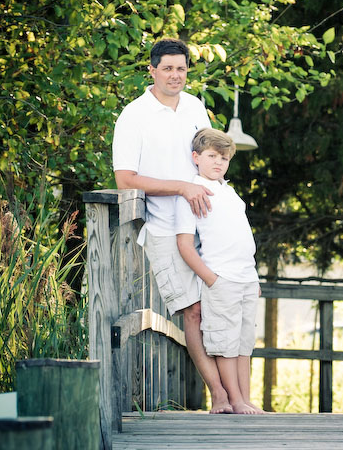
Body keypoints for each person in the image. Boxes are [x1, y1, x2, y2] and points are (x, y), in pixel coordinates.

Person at [112, 38, 233, 414]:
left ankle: (238, 395)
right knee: (192, 311)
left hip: (207, 225)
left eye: (181, 68)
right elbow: (125, 179)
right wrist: (181, 187)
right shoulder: (134, 116)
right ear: (151, 70)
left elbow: (213, 158)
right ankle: (220, 396)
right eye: (167, 68)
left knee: (220, 305)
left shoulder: (195, 106)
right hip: (165, 228)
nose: (175, 75)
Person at [175, 128, 263, 415]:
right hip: (221, 278)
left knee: (243, 343)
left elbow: (240, 237)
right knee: (224, 343)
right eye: (212, 156)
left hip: (246, 277)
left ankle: (246, 400)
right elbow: (185, 244)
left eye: (224, 158)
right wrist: (211, 279)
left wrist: (254, 275)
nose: (218, 163)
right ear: (196, 157)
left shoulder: (229, 192)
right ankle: (234, 399)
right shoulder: (193, 193)